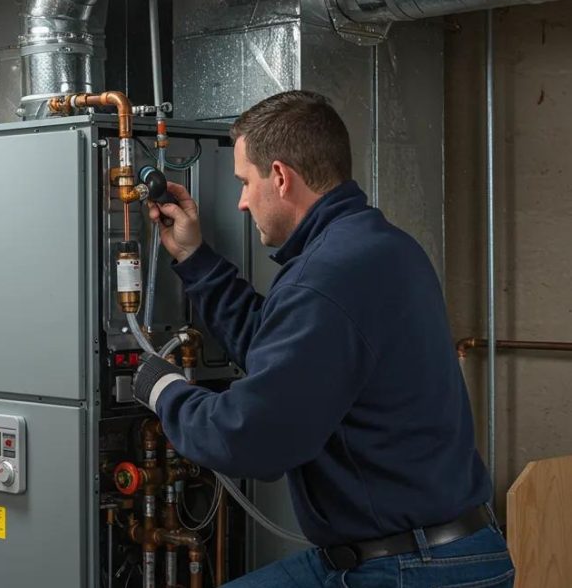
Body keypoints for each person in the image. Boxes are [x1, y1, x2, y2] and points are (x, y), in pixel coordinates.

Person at [132, 91, 514, 587]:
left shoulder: (328, 276)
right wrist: (194, 258)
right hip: (427, 551)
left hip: (411, 569)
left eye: (246, 182)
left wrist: (164, 392)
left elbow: (251, 438)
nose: (242, 202)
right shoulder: (377, 247)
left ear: (282, 177)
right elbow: (285, 353)